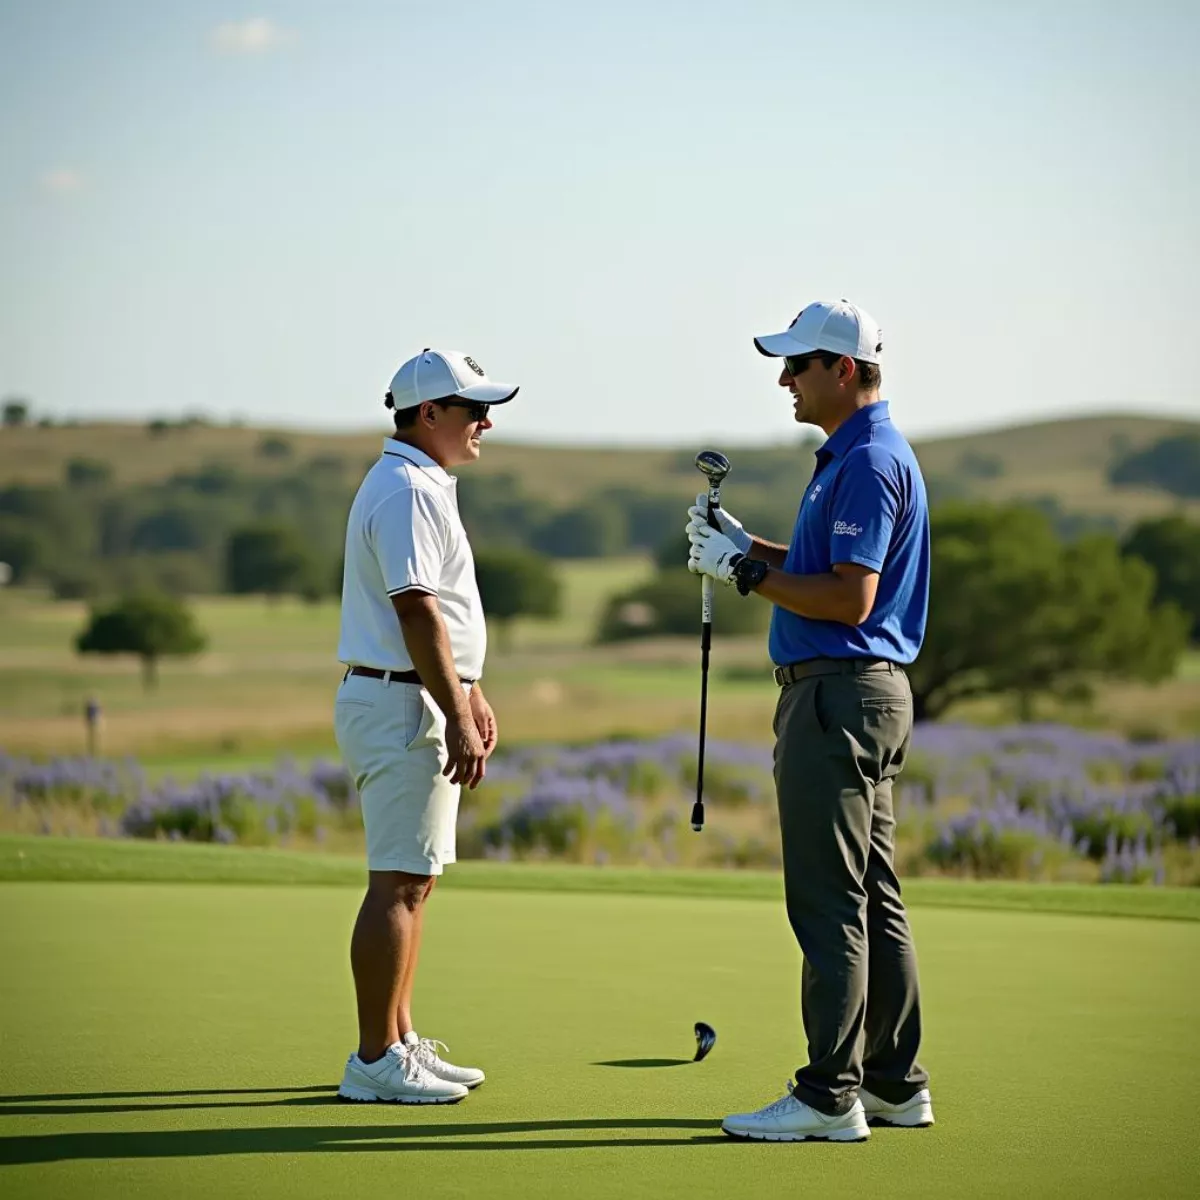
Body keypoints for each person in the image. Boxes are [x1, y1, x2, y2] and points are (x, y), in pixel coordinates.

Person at [687, 300, 934, 1142]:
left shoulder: (866, 461)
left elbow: (848, 597)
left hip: (837, 698)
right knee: (873, 896)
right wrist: (745, 546)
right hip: (864, 694)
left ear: (843, 368)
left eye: (797, 365)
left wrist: (744, 578)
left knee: (829, 902)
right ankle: (895, 1083)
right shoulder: (853, 457)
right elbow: (822, 568)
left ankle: (830, 1093)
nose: (783, 379)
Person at [334, 347, 516, 1104]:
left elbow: (438, 618)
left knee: (417, 881)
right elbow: (417, 611)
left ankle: (399, 1038)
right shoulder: (405, 490)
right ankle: (375, 1057)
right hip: (402, 699)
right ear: (427, 413)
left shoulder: (422, 484)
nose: (486, 421)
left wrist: (467, 693)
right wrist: (454, 707)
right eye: (472, 408)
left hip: (417, 696)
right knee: (399, 885)